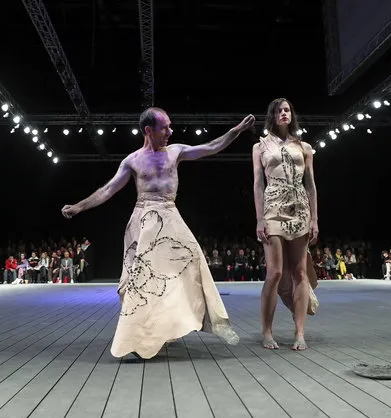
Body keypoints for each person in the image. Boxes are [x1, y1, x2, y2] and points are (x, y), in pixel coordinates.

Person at [62, 107, 254, 359]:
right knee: (137, 281)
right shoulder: (132, 160)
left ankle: (200, 322)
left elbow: (211, 147)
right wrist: (79, 206)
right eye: (164, 128)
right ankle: (139, 338)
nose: (170, 132)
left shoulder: (176, 152)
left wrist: (236, 131)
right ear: (148, 131)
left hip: (170, 216)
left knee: (191, 266)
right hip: (143, 220)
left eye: (170, 126)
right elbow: (107, 189)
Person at [252, 98, 319, 351]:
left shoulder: (304, 147)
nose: (284, 113)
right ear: (272, 115)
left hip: (300, 207)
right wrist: (259, 218)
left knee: (299, 272)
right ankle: (267, 331)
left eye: (287, 110)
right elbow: (258, 184)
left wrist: (314, 218)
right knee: (276, 273)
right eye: (279, 110)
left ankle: (299, 332)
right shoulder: (260, 147)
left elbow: (311, 184)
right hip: (273, 208)